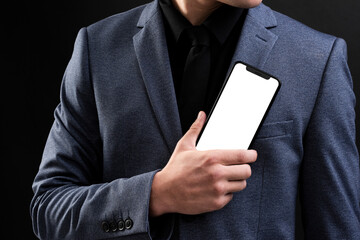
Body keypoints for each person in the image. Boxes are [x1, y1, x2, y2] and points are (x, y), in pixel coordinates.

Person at [30, 0, 360, 239]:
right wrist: (156, 194)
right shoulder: (97, 48)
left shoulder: (317, 58)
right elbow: (48, 212)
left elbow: (338, 229)